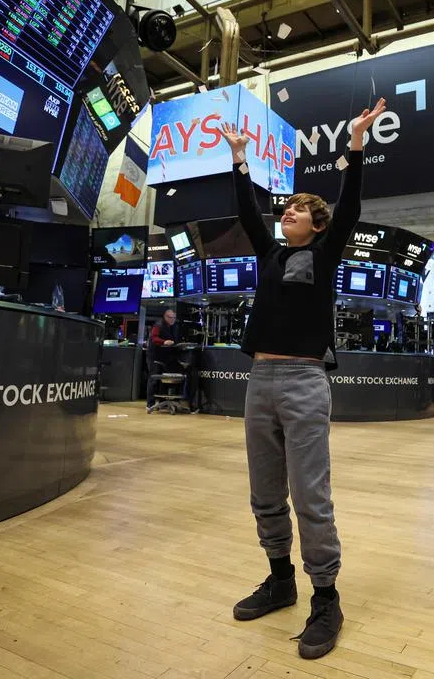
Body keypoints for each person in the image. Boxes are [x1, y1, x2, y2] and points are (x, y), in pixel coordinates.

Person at [220, 98, 387, 661]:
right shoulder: (269, 252)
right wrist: (240, 159)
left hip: (304, 381)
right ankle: (279, 578)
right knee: (265, 492)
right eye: (284, 207)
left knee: (309, 496)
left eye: (296, 210)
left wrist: (357, 143)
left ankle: (325, 596)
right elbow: (247, 211)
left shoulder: (327, 250)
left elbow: (352, 205)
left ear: (316, 224)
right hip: (259, 380)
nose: (285, 212)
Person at [146, 308, 179, 412]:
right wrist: (164, 342)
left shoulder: (172, 327)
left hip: (165, 357)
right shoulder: (158, 325)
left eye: (174, 317)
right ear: (165, 317)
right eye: (170, 317)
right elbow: (154, 338)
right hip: (154, 356)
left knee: (163, 380)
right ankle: (150, 404)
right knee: (153, 380)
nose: (172, 319)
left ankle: (161, 403)